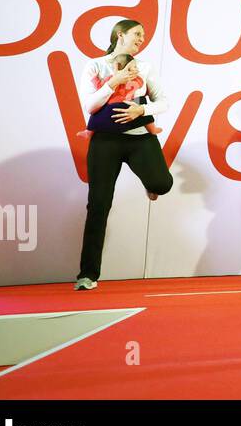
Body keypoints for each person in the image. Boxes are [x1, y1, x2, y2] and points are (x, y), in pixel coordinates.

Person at [74, 20, 174, 290]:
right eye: (137, 34)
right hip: (105, 142)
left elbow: (163, 101)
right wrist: (114, 82)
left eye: (143, 35)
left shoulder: (145, 68)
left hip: (139, 139)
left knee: (162, 184)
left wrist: (141, 111)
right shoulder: (95, 65)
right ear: (121, 35)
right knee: (98, 205)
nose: (142, 38)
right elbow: (89, 105)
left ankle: (149, 184)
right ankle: (87, 275)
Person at [76, 52, 163, 138]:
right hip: (114, 104)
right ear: (123, 69)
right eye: (133, 68)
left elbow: (140, 84)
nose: (136, 70)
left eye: (136, 67)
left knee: (142, 103)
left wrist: (138, 79)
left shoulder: (135, 79)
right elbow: (100, 86)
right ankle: (89, 131)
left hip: (130, 103)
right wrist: (95, 79)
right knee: (96, 114)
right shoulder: (111, 78)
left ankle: (152, 129)